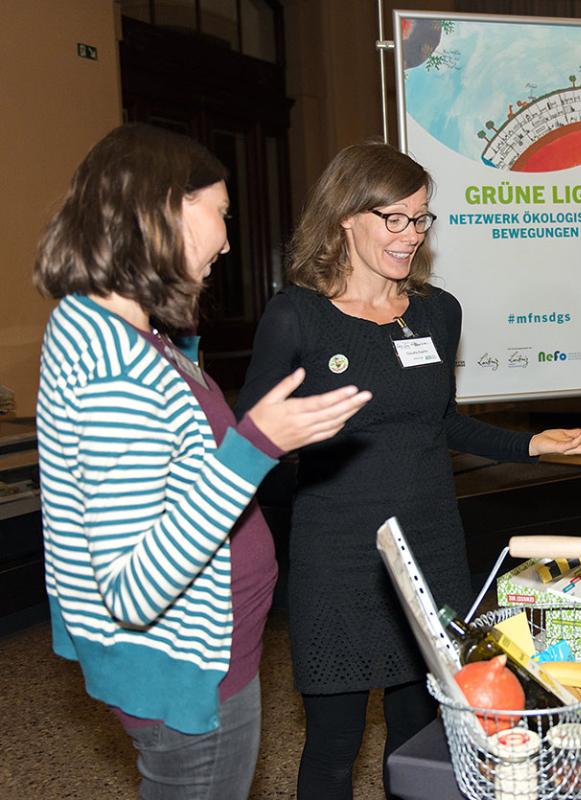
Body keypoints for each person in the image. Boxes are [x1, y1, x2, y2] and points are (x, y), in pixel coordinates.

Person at [233, 137, 581, 799]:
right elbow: (252, 437)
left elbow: (440, 423)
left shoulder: (439, 313)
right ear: (345, 217)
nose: (411, 235)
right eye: (395, 219)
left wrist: (533, 445)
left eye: (420, 218)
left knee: (424, 733)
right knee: (333, 742)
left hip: (430, 548)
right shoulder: (297, 317)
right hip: (339, 556)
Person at [33, 124, 371, 799]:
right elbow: (130, 587)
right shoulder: (116, 370)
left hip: (203, 649)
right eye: (218, 214)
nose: (224, 239)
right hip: (186, 667)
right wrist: (254, 447)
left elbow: (166, 461)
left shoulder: (116, 329)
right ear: (163, 215)